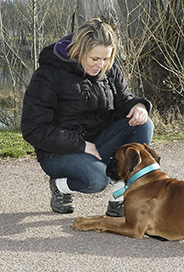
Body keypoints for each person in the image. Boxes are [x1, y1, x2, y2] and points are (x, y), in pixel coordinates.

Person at [21, 18, 154, 216]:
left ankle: (120, 196)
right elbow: (33, 129)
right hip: (57, 151)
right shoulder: (48, 74)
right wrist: (81, 145)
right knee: (97, 180)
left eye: (106, 59)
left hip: (97, 143)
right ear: (79, 51)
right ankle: (61, 186)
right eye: (94, 59)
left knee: (143, 124)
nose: (100, 65)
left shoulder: (108, 68)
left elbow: (123, 101)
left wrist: (139, 106)